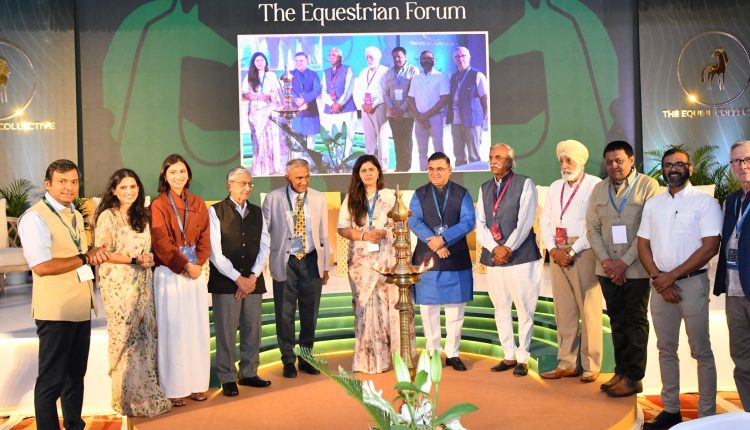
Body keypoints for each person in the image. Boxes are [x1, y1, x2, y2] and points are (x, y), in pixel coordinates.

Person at [18, 159, 110, 430]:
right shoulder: (35, 217)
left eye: (74, 181)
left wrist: (92, 255)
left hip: (80, 307)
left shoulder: (75, 215)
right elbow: (42, 266)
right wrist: (86, 257)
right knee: (51, 381)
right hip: (55, 310)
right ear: (47, 184)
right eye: (62, 181)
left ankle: (74, 425)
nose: (69, 187)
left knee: (75, 376)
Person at [638, 147, 721, 428]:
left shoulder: (705, 203)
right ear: (662, 169)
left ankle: (707, 415)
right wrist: (658, 277)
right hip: (660, 285)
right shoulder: (653, 204)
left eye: (679, 164)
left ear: (690, 168)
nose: (673, 169)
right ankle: (671, 410)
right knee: (665, 348)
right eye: (668, 164)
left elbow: (710, 246)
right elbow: (643, 244)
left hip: (692, 284)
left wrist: (670, 276)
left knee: (701, 351)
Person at [93, 169, 171, 416]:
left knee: (144, 336)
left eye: (133, 187)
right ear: (114, 191)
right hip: (117, 284)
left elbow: (147, 249)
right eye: (123, 187)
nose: (129, 191)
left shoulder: (142, 215)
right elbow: (102, 253)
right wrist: (135, 260)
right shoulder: (108, 216)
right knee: (125, 338)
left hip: (142, 282)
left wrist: (148, 259)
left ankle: (145, 394)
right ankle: (125, 398)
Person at [586, 140, 660, 397]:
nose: (614, 166)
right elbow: (592, 229)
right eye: (609, 162)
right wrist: (608, 262)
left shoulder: (648, 186)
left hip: (637, 268)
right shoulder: (599, 189)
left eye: (619, 160)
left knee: (635, 321)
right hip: (606, 269)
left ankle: (634, 377)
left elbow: (649, 228)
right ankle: (621, 371)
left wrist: (623, 262)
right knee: (617, 320)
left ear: (631, 160)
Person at [539, 140, 603, 383]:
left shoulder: (594, 184)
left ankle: (591, 364)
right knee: (564, 310)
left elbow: (594, 224)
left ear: (581, 162)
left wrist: (573, 250)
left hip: (583, 250)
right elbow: (545, 220)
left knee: (589, 309)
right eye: (562, 161)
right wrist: (553, 250)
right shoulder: (556, 186)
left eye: (569, 160)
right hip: (558, 251)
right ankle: (566, 362)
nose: (565, 165)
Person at [150, 154, 211, 406]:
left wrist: (197, 264)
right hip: (170, 273)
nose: (178, 176)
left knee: (197, 330)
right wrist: (184, 265)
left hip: (195, 273)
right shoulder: (158, 204)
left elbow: (205, 237)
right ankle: (175, 388)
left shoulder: (198, 203)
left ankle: (197, 384)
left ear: (188, 175)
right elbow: (161, 242)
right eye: (173, 172)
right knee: (173, 331)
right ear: (165, 176)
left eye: (182, 171)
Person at [476, 143, 541, 376]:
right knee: (500, 307)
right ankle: (509, 355)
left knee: (524, 308)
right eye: (491, 157)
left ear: (510, 161)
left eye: (499, 157)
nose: (493, 161)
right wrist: (495, 248)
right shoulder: (484, 188)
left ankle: (523, 356)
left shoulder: (525, 184)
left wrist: (508, 247)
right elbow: (480, 223)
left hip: (521, 257)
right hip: (495, 257)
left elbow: (526, 221)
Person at [262, 159, 330, 378]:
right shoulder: (273, 198)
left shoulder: (318, 198)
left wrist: (325, 266)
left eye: (307, 176)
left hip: (311, 260)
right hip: (286, 260)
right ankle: (288, 359)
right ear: (288, 177)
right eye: (299, 177)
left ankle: (306, 357)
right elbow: (265, 233)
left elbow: (324, 234)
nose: (304, 181)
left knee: (310, 312)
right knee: (285, 313)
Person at [408, 152, 475, 371]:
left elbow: (468, 222)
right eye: (431, 169)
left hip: (456, 257)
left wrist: (444, 239)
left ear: (450, 170)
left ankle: (453, 353)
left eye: (440, 169)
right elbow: (414, 221)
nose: (435, 173)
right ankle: (433, 352)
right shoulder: (419, 194)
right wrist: (436, 244)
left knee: (455, 310)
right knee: (429, 310)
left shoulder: (462, 193)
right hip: (428, 258)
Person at [208, 166, 272, 397]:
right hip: (226, 283)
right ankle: (227, 376)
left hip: (253, 282)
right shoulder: (215, 211)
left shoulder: (257, 212)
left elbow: (265, 245)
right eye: (242, 183)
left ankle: (249, 372)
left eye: (250, 183)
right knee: (226, 330)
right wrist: (238, 279)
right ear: (229, 185)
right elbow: (215, 253)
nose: (247, 187)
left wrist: (252, 276)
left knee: (253, 329)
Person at [337, 155, 402, 373]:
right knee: (365, 309)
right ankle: (368, 360)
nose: (368, 174)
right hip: (361, 263)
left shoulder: (390, 196)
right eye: (363, 170)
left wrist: (384, 233)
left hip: (386, 260)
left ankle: (393, 358)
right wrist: (364, 236)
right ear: (358, 174)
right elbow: (342, 228)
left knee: (388, 307)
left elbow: (401, 225)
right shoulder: (352, 199)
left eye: (371, 169)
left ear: (378, 172)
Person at [714, 140, 750, 412]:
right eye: (736, 161)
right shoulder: (732, 200)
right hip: (735, 291)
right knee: (741, 359)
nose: (742, 165)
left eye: (747, 159)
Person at [408, 51, 450, 171]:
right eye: (423, 58)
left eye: (428, 58)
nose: (425, 61)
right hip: (419, 119)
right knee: (421, 151)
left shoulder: (441, 76)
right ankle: (423, 173)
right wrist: (419, 116)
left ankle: (441, 173)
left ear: (434, 60)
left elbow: (443, 99)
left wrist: (425, 116)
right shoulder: (416, 78)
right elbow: (410, 99)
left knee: (438, 149)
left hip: (435, 118)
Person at [446, 46, 488, 167]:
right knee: (458, 155)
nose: (460, 59)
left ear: (469, 57)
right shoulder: (453, 77)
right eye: (457, 56)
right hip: (456, 121)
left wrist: (481, 119)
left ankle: (474, 176)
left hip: (472, 121)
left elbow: (485, 99)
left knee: (474, 156)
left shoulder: (477, 75)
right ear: (454, 59)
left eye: (463, 56)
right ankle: (460, 175)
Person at [243, 52, 282, 176]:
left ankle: (273, 168)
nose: (260, 62)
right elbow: (244, 94)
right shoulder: (249, 77)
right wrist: (258, 97)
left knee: (272, 139)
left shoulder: (271, 76)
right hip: (255, 114)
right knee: (258, 140)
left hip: (270, 111)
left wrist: (270, 96)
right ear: (254, 63)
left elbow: (278, 93)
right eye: (257, 61)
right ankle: (260, 169)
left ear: (266, 62)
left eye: (262, 60)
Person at [382, 47, 419, 172]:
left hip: (407, 113)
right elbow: (385, 93)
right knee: (397, 140)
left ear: (405, 57)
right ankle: (399, 167)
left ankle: (406, 168)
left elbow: (413, 92)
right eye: (394, 57)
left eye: (399, 56)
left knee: (406, 140)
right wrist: (392, 108)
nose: (396, 59)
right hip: (392, 114)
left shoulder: (413, 70)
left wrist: (401, 109)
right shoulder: (388, 72)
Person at [354, 46, 390, 169]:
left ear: (378, 58)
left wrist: (373, 104)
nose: (369, 60)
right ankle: (370, 164)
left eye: (371, 57)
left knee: (382, 137)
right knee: (369, 137)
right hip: (365, 108)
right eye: (367, 57)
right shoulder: (363, 71)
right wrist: (362, 104)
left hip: (379, 106)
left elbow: (385, 91)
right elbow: (358, 90)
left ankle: (383, 166)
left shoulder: (385, 71)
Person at [321, 48, 357, 157]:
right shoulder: (326, 72)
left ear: (340, 58)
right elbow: (323, 91)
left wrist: (339, 104)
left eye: (333, 55)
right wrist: (332, 104)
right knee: (334, 136)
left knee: (348, 136)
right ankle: (337, 159)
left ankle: (347, 159)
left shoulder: (348, 69)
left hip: (346, 108)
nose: (330, 57)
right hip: (331, 109)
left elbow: (348, 89)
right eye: (329, 55)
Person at [289, 52, 322, 163]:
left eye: (301, 60)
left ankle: (309, 164)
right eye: (296, 61)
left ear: (307, 61)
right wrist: (296, 99)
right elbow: (286, 88)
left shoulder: (313, 74)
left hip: (310, 111)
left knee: (310, 140)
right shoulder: (290, 74)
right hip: (296, 111)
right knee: (296, 139)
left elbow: (317, 90)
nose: (299, 63)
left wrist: (305, 99)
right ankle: (297, 164)